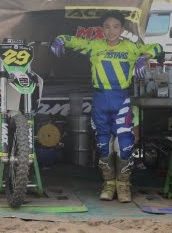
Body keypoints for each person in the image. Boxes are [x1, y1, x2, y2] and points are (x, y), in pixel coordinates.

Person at [51, 10, 163, 203]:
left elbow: (158, 47)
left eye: (116, 27)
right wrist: (60, 39)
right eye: (107, 27)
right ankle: (109, 185)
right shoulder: (95, 45)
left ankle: (124, 185)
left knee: (125, 144)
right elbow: (73, 41)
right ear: (102, 29)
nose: (112, 31)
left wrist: (143, 56)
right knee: (103, 145)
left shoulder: (131, 47)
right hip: (100, 100)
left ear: (122, 28)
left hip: (122, 100)